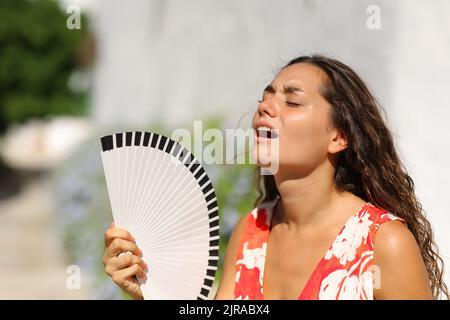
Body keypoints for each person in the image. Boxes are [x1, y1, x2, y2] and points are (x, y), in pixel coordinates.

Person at [102, 55, 448, 300]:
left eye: (292, 102)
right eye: (264, 98)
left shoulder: (382, 243)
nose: (265, 107)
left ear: (338, 137)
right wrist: (147, 290)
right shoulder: (251, 232)